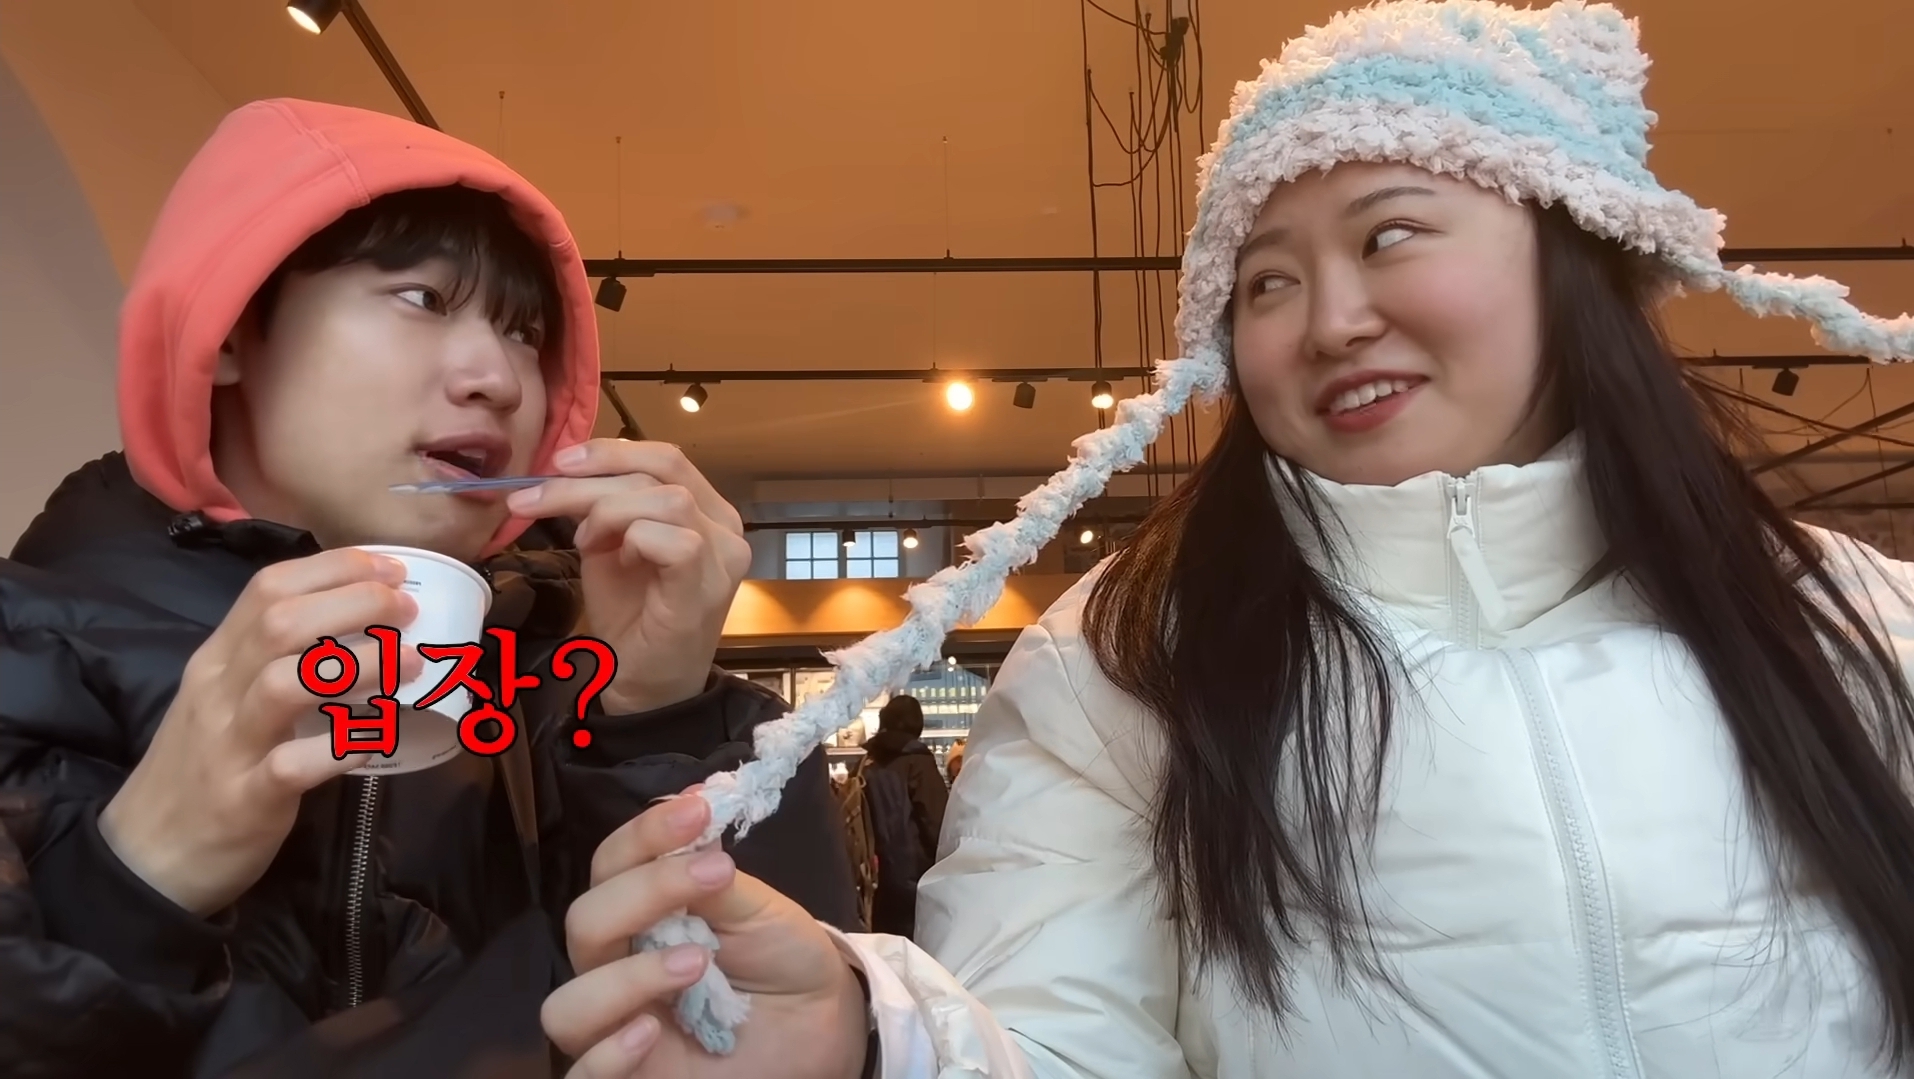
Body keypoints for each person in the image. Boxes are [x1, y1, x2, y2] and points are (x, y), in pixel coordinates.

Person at [525, 2, 1914, 1076]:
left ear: (1573, 249)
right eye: (1266, 281)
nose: (1331, 320)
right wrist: (868, 1037)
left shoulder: (1853, 617)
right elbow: (1056, 1036)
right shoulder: (1129, 658)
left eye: (1390, 234)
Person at [0, 98, 856, 1078]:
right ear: (229, 330)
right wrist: (138, 879)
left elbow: (764, 1037)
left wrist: (660, 713)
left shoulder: (546, 685)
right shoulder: (27, 654)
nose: (501, 377)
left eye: (526, 331)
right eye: (422, 297)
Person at [857, 695, 949, 937]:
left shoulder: (866, 763)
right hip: (916, 881)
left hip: (874, 880)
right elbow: (937, 825)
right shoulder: (918, 764)